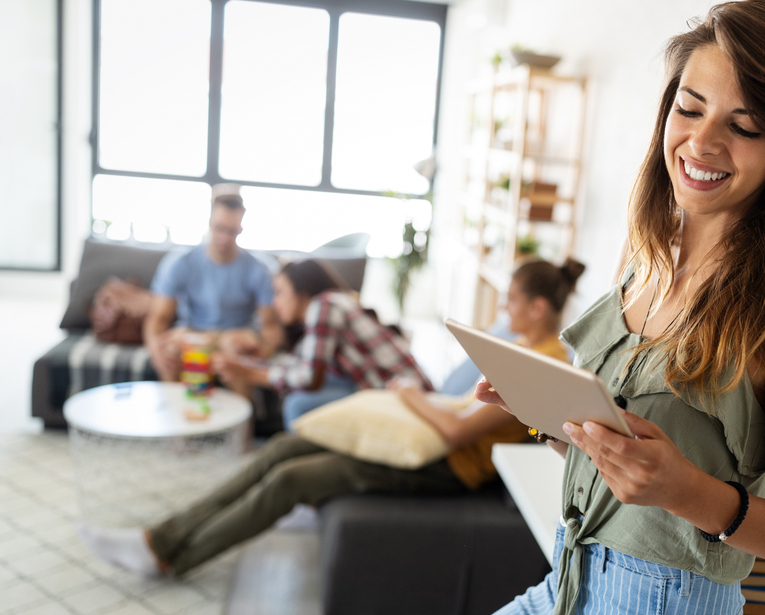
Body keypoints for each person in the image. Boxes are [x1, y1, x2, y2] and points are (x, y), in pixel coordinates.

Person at [433, 2, 765, 615]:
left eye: (744, 125)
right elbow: (629, 479)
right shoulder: (645, 257)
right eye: (689, 109)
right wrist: (556, 425)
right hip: (569, 585)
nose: (701, 142)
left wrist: (686, 489)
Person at [78, 258, 585, 577]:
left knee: (291, 479)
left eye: (512, 299)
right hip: (431, 433)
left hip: (448, 465)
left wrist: (407, 396)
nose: (503, 306)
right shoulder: (525, 345)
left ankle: (170, 555)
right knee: (281, 448)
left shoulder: (542, 364)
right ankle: (158, 536)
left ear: (539, 307)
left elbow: (456, 430)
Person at [211, 259, 433, 429]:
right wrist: (257, 360)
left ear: (300, 292)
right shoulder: (330, 303)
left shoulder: (324, 305)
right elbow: (301, 362)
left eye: (279, 293)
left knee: (297, 403)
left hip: (407, 399)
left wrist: (248, 373)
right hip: (385, 387)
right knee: (309, 383)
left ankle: (299, 457)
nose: (274, 302)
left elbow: (307, 377)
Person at [144, 190, 282, 396]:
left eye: (232, 231)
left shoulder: (258, 269)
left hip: (235, 337)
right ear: (209, 222)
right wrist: (156, 352)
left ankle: (241, 423)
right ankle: (176, 418)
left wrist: (262, 352)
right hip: (194, 336)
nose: (224, 237)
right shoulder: (181, 263)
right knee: (171, 347)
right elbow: (157, 319)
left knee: (233, 347)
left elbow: (271, 327)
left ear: (241, 229)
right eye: (219, 228)